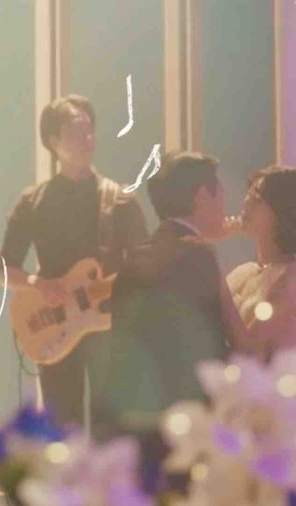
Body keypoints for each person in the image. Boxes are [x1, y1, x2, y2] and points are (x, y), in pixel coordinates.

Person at [96, 151, 246, 492]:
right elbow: (213, 350)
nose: (226, 203)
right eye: (220, 192)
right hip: (187, 432)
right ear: (202, 196)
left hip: (136, 427)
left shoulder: (134, 259)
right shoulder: (197, 256)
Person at [0, 95, 149, 428]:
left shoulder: (120, 200)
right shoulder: (33, 200)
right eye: (77, 130)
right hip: (55, 324)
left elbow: (146, 263)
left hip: (110, 327)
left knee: (111, 425)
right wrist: (40, 285)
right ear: (53, 140)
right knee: (62, 425)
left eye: (90, 129)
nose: (88, 137)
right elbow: (5, 269)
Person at [227, 166, 296, 360]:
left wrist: (209, 261)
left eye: (256, 198)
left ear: (282, 212)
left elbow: (249, 349)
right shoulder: (245, 272)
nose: (245, 202)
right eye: (248, 195)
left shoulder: (290, 279)